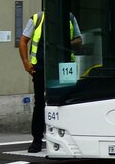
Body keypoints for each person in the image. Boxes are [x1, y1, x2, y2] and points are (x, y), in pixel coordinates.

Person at [19, 11, 82, 154]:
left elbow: (79, 40)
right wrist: (26, 63)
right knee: (40, 102)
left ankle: (68, 136)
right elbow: (23, 40)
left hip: (65, 67)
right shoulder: (37, 18)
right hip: (41, 67)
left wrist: (65, 43)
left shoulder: (70, 17)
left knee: (66, 103)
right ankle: (36, 140)